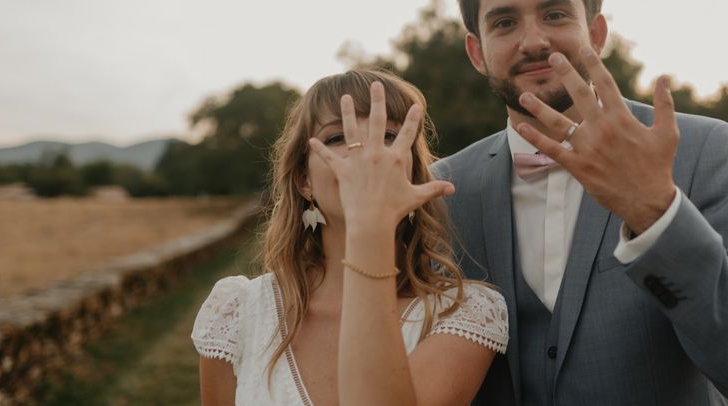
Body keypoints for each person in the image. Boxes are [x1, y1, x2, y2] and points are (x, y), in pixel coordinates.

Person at [434, 0, 728, 405]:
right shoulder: (443, 189)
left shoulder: (702, 150)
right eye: (505, 22)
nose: (533, 41)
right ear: (477, 52)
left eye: (556, 14)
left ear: (597, 32)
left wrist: (655, 212)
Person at [191, 70, 509, 405]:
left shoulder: (464, 313)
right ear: (304, 181)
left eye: (388, 135)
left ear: (412, 172)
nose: (367, 154)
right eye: (337, 138)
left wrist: (370, 229)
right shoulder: (237, 311)